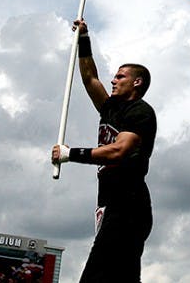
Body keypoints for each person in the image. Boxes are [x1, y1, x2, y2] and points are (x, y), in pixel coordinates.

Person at [51, 20, 157, 283]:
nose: (113, 79)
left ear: (137, 82)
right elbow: (89, 78)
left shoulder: (140, 112)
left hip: (128, 204)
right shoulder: (111, 108)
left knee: (96, 276)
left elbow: (118, 151)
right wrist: (84, 39)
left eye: (121, 76)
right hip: (110, 204)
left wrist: (70, 153)